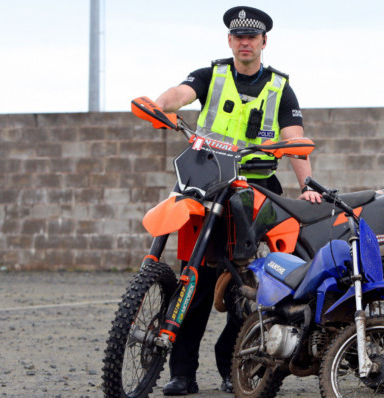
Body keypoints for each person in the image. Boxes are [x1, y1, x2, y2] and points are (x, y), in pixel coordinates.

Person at [153, 6, 321, 395]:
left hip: (259, 192)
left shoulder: (281, 87)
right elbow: (179, 94)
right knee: (193, 283)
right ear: (230, 41)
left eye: (253, 37)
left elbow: (295, 139)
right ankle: (182, 373)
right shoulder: (210, 75)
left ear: (264, 42)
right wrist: (161, 105)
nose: (245, 43)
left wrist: (307, 182)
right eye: (238, 37)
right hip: (208, 189)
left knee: (255, 285)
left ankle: (234, 365)